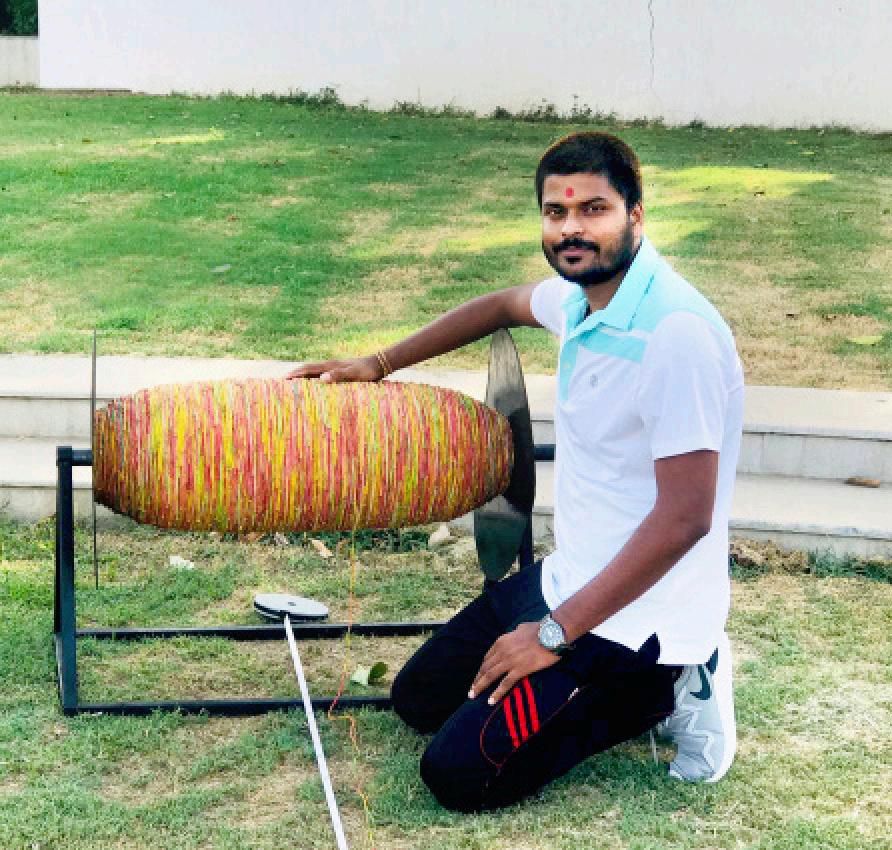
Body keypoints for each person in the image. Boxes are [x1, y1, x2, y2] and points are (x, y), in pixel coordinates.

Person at [289, 132, 743, 811]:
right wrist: (377, 364)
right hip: (570, 578)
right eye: (556, 212)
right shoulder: (583, 297)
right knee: (417, 701)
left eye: (594, 209)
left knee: (457, 776)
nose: (571, 229)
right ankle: (601, 666)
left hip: (638, 619)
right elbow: (502, 305)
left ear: (636, 215)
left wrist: (554, 634)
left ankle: (673, 681)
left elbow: (685, 519)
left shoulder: (676, 334)